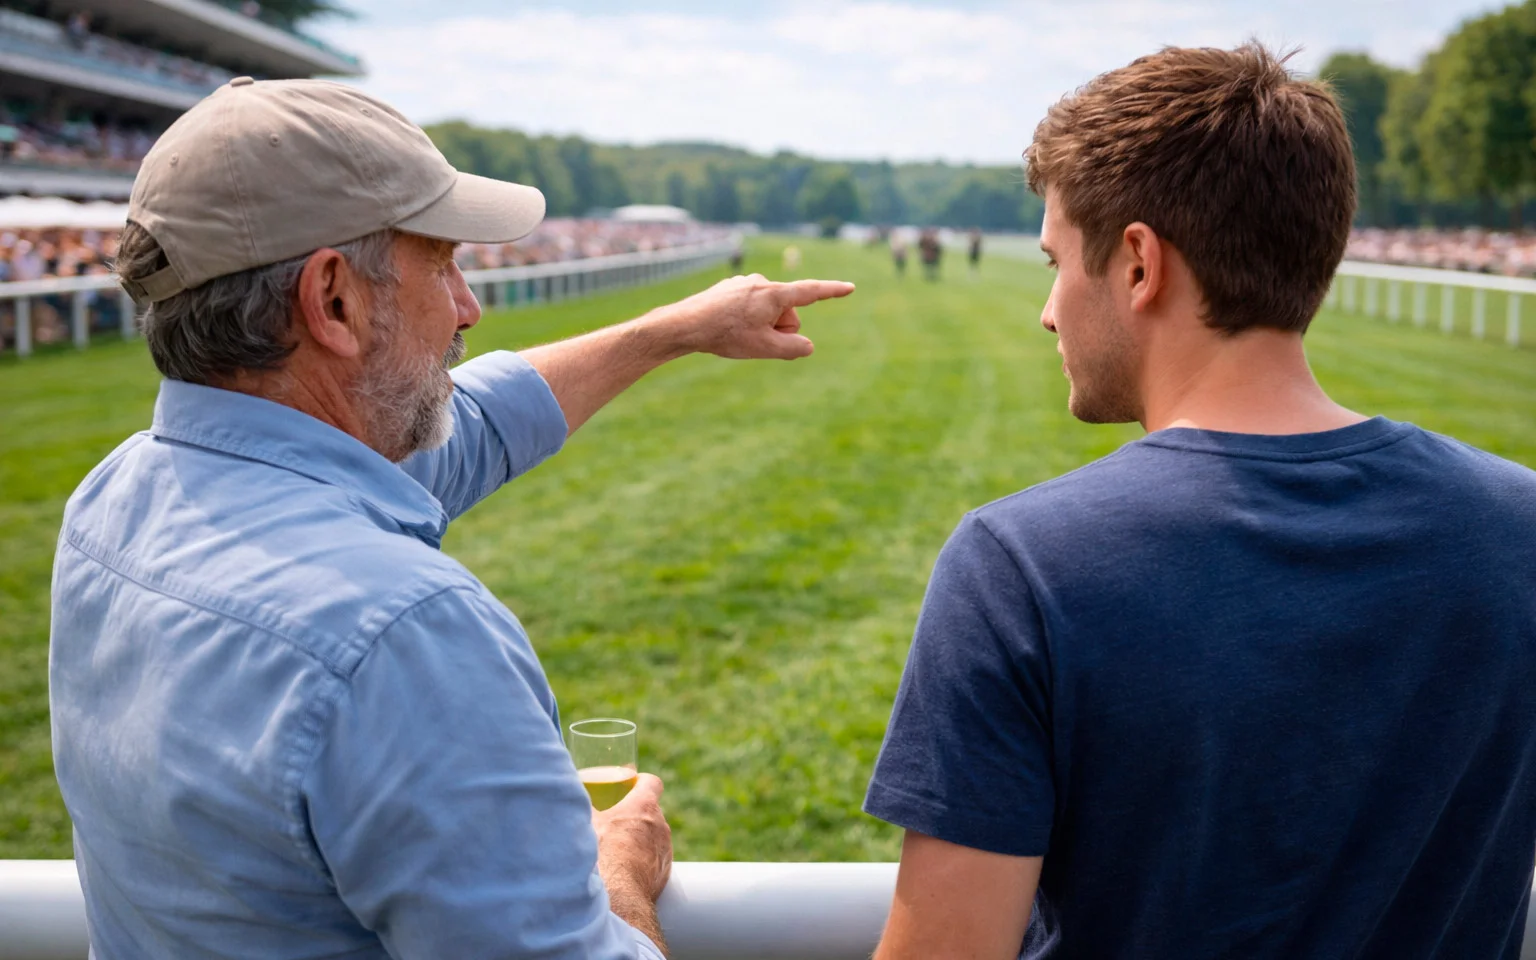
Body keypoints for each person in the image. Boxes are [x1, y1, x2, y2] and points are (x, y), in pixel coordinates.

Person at [50, 77, 854, 959]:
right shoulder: (401, 634)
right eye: (441, 263)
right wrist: (616, 870)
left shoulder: (111, 499)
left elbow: (463, 426)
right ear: (334, 301)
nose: (469, 306)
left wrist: (674, 329)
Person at [864, 43, 1536, 960]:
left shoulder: (1017, 567)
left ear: (1139, 264)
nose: (1049, 311)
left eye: (1057, 262)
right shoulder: (1519, 527)